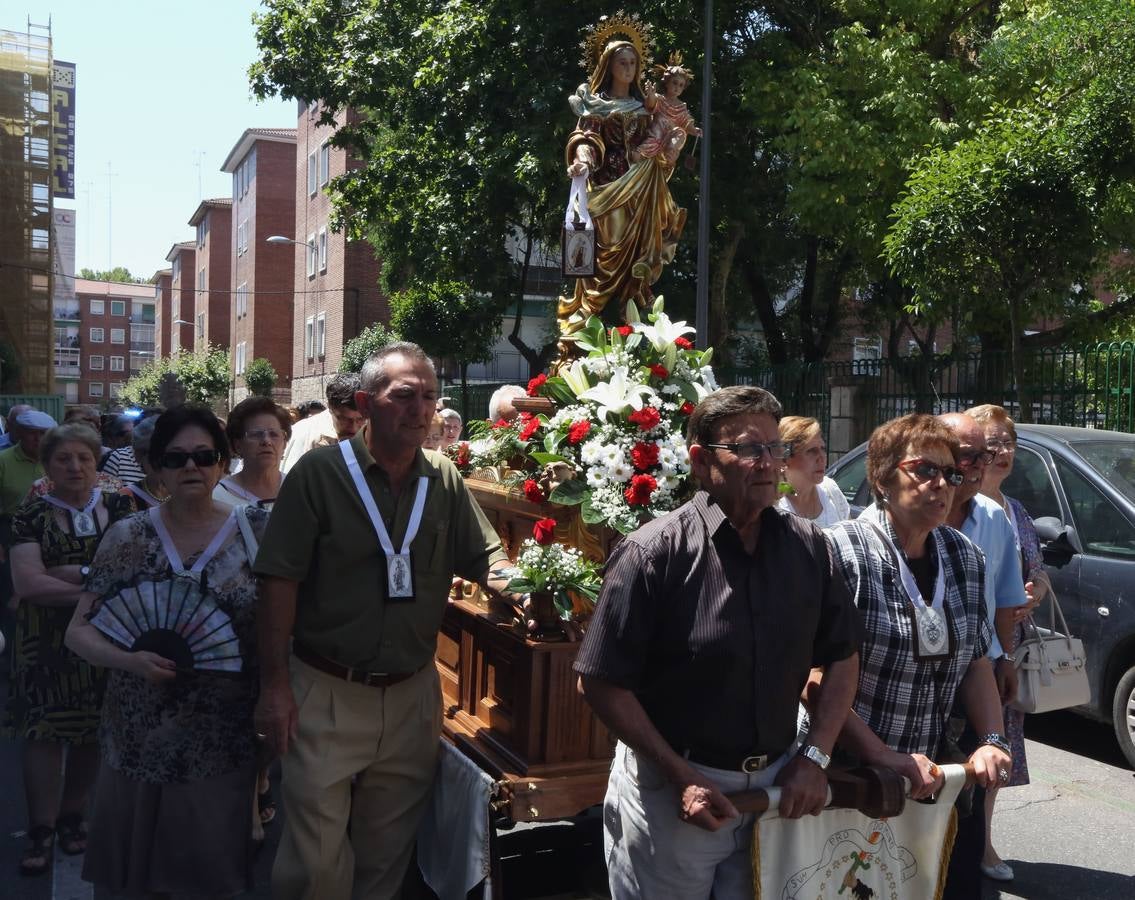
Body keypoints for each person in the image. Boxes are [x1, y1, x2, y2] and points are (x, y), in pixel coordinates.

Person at [253, 341, 521, 900]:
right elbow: (279, 582)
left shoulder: (443, 479)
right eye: (404, 396)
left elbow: (489, 560)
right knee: (314, 863)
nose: (421, 410)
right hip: (325, 689)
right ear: (366, 403)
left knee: (387, 856)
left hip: (410, 696)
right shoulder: (319, 476)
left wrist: (539, 588)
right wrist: (275, 686)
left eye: (429, 397)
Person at [575, 386, 862, 899]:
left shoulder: (811, 549)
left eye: (776, 449)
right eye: (750, 449)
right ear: (701, 461)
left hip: (778, 792)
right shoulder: (652, 553)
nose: (768, 463)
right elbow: (599, 682)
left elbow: (841, 658)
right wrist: (680, 774)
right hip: (672, 794)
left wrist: (814, 757)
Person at [65, 404, 268, 898]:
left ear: (223, 461)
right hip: (136, 731)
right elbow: (80, 632)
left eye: (203, 456)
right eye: (175, 459)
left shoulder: (256, 534)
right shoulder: (127, 536)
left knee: (209, 872)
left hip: (220, 738)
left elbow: (279, 632)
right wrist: (127, 660)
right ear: (155, 468)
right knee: (134, 875)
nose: (191, 468)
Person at [822, 414, 1015, 900]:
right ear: (882, 477)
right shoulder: (840, 552)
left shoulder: (966, 556)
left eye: (950, 473)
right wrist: (881, 755)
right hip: (845, 776)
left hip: (928, 778)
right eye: (924, 469)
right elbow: (812, 677)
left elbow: (975, 662)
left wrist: (992, 738)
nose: (941, 484)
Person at [6, 423, 136, 875]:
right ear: (47, 466)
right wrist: (95, 580)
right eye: (64, 459)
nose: (75, 466)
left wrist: (67, 573)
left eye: (84, 457)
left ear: (96, 461)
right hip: (42, 642)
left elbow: (135, 571)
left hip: (104, 637)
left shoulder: (121, 506)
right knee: (43, 735)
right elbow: (28, 583)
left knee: (89, 732)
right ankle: (41, 827)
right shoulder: (30, 516)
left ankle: (72, 816)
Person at [558, 30, 687, 336]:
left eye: (633, 63)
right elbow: (585, 138)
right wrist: (583, 162)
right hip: (608, 188)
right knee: (606, 254)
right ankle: (585, 325)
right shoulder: (595, 104)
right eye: (622, 63)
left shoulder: (647, 108)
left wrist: (673, 147)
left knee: (638, 260)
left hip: (642, 189)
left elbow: (658, 151)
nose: (629, 69)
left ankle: (635, 326)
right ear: (608, 66)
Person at [967, 403, 1046, 882]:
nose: (1000, 452)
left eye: (1007, 443)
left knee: (994, 752)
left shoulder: (1015, 512)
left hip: (1006, 650)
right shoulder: (956, 504)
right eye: (991, 443)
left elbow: (1037, 574)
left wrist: (1032, 594)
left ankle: (984, 843)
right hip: (968, 648)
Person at [214, 396, 291, 509]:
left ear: (284, 443)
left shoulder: (297, 488)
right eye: (256, 434)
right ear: (238, 445)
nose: (266, 441)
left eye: (274, 434)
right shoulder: (219, 497)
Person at [280, 373, 365, 474]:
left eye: (360, 419)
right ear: (330, 407)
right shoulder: (303, 434)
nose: (354, 428)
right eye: (344, 419)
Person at [776, 415, 850, 527]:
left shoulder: (830, 490)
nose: (822, 457)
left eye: (823, 449)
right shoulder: (775, 505)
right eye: (811, 451)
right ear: (785, 458)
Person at [633, 51, 702, 168]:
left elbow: (686, 122)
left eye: (681, 85)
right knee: (638, 154)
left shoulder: (681, 106)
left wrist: (694, 130)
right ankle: (637, 158)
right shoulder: (660, 99)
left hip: (671, 137)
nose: (677, 87)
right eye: (675, 83)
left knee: (680, 133)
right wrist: (650, 95)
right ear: (667, 82)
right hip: (656, 134)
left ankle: (669, 152)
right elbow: (650, 105)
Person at [118, 416, 167, 510]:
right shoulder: (123, 499)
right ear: (138, 455)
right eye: (156, 453)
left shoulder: (188, 494)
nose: (163, 460)